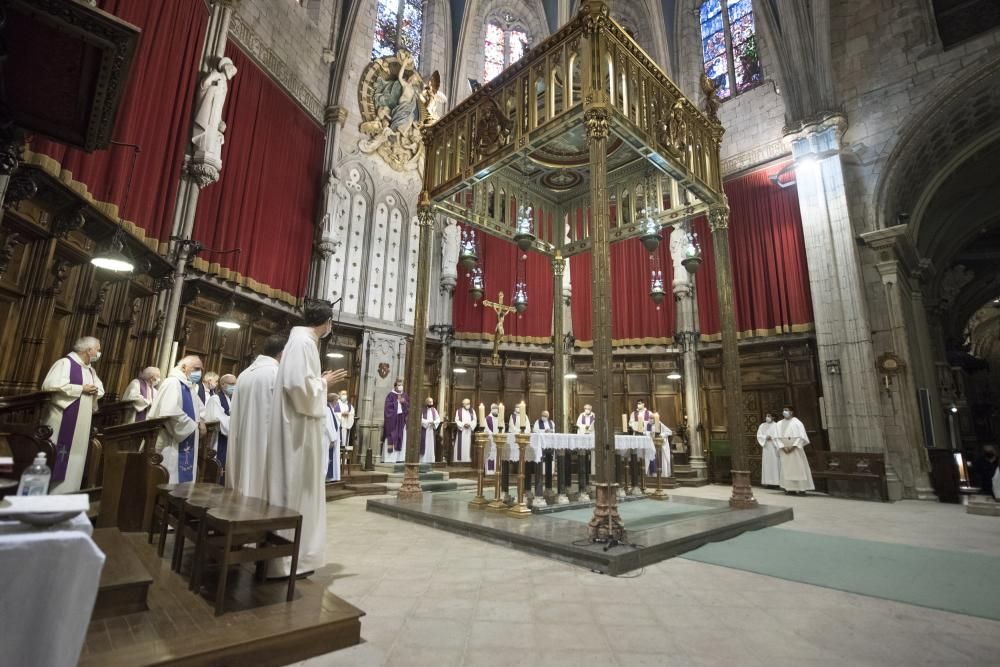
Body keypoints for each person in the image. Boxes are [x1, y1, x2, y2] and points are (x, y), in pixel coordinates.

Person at [266, 302, 347, 577]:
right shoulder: (303, 342)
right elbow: (297, 387)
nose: (330, 328)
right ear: (326, 321)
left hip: (299, 428)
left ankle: (298, 558)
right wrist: (324, 383)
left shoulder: (302, 341)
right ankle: (290, 561)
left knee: (302, 491)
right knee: (296, 490)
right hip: (297, 433)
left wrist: (319, 381)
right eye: (331, 322)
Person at [41, 336, 105, 494]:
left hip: (82, 425)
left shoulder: (90, 370)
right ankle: (51, 497)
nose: (99, 352)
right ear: (88, 350)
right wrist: (80, 389)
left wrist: (94, 390)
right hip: (62, 421)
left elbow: (100, 389)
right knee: (61, 455)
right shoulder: (65, 363)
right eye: (97, 349)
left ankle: (70, 493)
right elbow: (49, 387)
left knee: (77, 458)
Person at [227, 334, 286, 496]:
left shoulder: (245, 374)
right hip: (263, 444)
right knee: (259, 489)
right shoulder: (277, 375)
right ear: (282, 354)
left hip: (243, 441)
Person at [147, 356, 206, 484]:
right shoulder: (172, 383)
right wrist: (192, 426)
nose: (199, 373)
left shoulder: (188, 386)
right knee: (170, 478)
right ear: (184, 368)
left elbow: (200, 408)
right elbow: (170, 411)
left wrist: (200, 421)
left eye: (201, 369)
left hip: (182, 438)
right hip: (171, 441)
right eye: (196, 368)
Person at [776, 407, 814, 495]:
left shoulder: (797, 423)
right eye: (783, 410)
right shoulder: (778, 424)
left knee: (799, 468)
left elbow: (802, 436)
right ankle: (789, 488)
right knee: (786, 469)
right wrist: (783, 447)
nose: (784, 412)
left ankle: (801, 488)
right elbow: (776, 438)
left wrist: (793, 446)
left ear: (791, 412)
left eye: (787, 410)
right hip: (784, 449)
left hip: (795, 449)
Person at [203, 373, 235, 477]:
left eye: (235, 384)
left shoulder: (231, 399)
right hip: (218, 439)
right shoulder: (215, 399)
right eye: (231, 384)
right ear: (222, 384)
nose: (234, 386)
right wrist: (236, 420)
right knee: (217, 471)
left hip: (228, 440)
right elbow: (219, 421)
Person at [382, 379, 409, 464]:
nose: (400, 386)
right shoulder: (390, 395)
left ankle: (399, 458)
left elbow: (408, 407)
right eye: (398, 385)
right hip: (393, 420)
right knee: (391, 436)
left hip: (401, 420)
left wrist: (404, 402)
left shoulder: (404, 395)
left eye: (401, 385)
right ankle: (389, 459)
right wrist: (397, 403)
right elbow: (387, 408)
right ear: (395, 386)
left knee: (401, 437)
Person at [757, 413, 781, 488]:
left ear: (773, 417)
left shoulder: (777, 425)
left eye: (769, 416)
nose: (767, 417)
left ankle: (777, 482)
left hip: (774, 447)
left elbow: (779, 435)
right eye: (766, 416)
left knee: (775, 464)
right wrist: (765, 437)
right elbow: (759, 435)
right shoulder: (762, 425)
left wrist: (773, 438)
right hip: (766, 447)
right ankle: (768, 482)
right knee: (767, 464)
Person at [333, 389, 355, 466]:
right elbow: (334, 414)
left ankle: (343, 462)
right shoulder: (336, 404)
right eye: (343, 394)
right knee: (338, 444)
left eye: (345, 394)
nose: (344, 396)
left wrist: (348, 414)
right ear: (339, 395)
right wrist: (341, 414)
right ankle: (336, 461)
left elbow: (352, 414)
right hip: (338, 428)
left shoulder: (349, 405)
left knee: (345, 443)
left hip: (345, 428)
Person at [453, 398, 476, 462]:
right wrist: (463, 424)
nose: (468, 405)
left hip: (469, 432)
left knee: (468, 447)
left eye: (469, 403)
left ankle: (468, 460)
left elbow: (475, 420)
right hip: (462, 431)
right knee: (461, 447)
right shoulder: (459, 411)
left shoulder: (472, 411)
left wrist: (470, 425)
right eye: (467, 404)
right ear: (463, 404)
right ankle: (459, 461)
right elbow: (456, 420)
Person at [420, 397, 442, 464]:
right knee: (424, 445)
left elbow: (438, 419)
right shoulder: (422, 410)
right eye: (429, 402)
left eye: (431, 402)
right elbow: (420, 419)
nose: (431, 403)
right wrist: (428, 422)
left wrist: (434, 422)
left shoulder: (434, 410)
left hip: (431, 430)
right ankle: (422, 461)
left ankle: (431, 461)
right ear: (426, 402)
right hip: (425, 430)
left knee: (431, 446)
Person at [325, 393, 341, 482]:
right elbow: (328, 425)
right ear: (333, 400)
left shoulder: (331, 409)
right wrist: (332, 438)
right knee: (329, 458)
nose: (337, 402)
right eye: (337, 400)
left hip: (333, 438)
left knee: (332, 458)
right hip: (329, 439)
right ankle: (328, 477)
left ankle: (332, 477)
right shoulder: (327, 409)